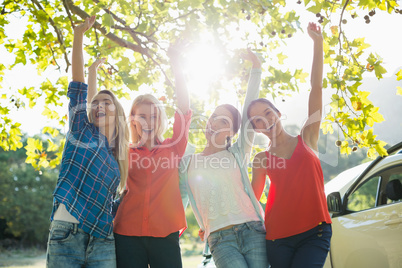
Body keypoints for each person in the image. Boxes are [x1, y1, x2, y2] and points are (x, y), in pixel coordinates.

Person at [46, 15, 129, 268]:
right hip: (67, 230)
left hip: (103, 238)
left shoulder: (118, 155)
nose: (100, 105)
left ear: (117, 111)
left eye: (108, 102)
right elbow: (79, 86)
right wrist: (79, 35)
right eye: (97, 103)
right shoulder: (81, 130)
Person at [247, 22, 332, 268]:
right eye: (258, 120)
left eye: (268, 112)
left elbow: (316, 88)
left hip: (315, 232)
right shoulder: (261, 159)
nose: (266, 120)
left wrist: (318, 44)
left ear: (278, 112)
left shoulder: (307, 137)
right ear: (256, 128)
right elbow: (253, 200)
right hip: (277, 238)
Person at [179, 49, 268, 268]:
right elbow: (179, 201)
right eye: (213, 117)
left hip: (252, 230)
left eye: (223, 121)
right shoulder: (187, 162)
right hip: (219, 239)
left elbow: (249, 108)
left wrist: (256, 68)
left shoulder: (238, 153)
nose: (214, 123)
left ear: (233, 133)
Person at [112, 45, 192, 268]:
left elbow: (185, 109)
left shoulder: (173, 147)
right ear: (133, 119)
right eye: (142, 116)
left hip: (165, 232)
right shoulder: (123, 151)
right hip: (127, 233)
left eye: (154, 115)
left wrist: (177, 66)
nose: (148, 120)